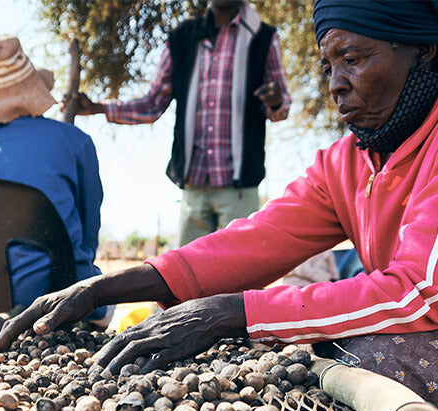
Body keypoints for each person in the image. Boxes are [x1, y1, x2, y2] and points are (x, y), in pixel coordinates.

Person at [0, 0, 438, 409]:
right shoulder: (344, 163)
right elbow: (253, 242)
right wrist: (101, 289)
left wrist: (231, 313)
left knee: (358, 358)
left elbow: (420, 292)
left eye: (354, 59)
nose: (336, 85)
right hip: (197, 179)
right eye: (327, 66)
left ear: (423, 50)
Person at [67, 0, 291, 246]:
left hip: (240, 185)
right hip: (193, 185)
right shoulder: (182, 39)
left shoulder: (263, 37)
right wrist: (100, 108)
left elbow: (281, 108)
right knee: (187, 275)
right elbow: (152, 104)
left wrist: (276, 100)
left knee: (242, 274)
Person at [0, 34, 115, 328]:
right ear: (35, 89)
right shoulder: (75, 141)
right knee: (105, 307)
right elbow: (87, 236)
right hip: (49, 293)